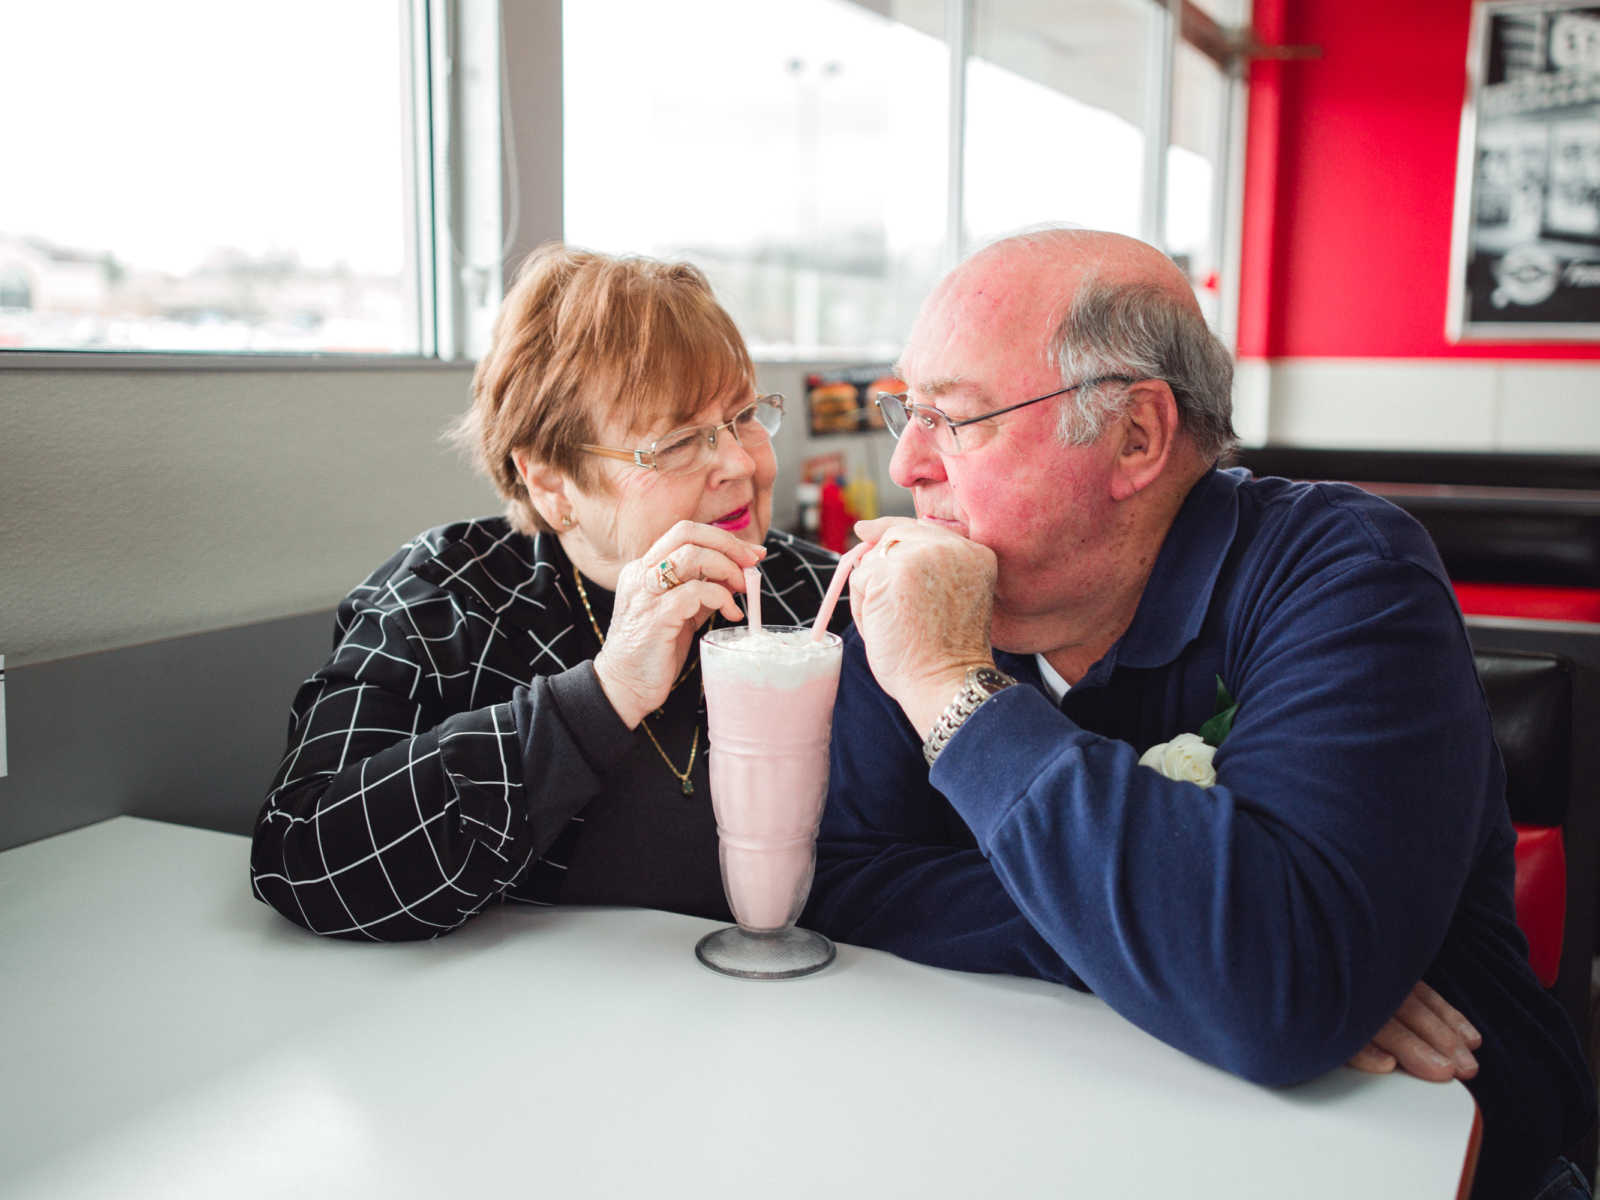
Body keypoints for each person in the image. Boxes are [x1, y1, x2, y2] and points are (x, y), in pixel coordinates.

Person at [804, 228, 1596, 1200]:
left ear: (1136, 435)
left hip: (1437, 1157)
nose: (911, 461)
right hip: (1075, 1132)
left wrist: (948, 689)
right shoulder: (941, 580)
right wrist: (1180, 948)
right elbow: (831, 880)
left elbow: (1276, 987)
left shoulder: (1346, 573)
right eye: (904, 413)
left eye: (955, 419)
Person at [250, 244, 845, 939]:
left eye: (744, 415)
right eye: (681, 440)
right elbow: (305, 859)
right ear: (550, 482)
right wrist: (604, 693)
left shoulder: (818, 595)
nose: (742, 462)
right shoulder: (444, 602)